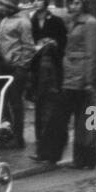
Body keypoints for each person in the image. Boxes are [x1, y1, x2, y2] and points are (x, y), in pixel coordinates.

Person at [59, 0, 96, 170]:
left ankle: (89, 157)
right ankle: (80, 158)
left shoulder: (90, 23)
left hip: (83, 76)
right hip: (71, 76)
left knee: (91, 118)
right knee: (78, 119)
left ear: (84, 4)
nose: (73, 6)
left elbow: (92, 53)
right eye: (71, 3)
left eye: (77, 3)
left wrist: (89, 80)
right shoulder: (72, 22)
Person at [0, 0, 35, 149]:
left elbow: (29, 47)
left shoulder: (23, 22)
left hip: (16, 69)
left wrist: (22, 66)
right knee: (4, 102)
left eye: (2, 4)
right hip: (5, 67)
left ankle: (19, 138)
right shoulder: (4, 20)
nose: (0, 7)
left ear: (10, 6)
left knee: (16, 103)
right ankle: (8, 132)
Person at [29, 35, 65, 165]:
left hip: (48, 92)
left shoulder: (45, 55)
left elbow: (45, 76)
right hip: (57, 90)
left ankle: (46, 153)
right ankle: (49, 153)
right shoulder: (53, 53)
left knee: (46, 121)